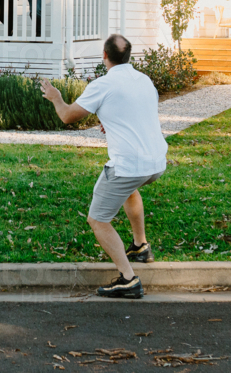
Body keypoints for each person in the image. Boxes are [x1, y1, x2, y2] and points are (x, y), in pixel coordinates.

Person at [40, 34, 167, 299]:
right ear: (128, 56)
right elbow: (136, 111)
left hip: (127, 166)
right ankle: (141, 246)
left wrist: (55, 96)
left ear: (105, 56)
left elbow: (66, 116)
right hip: (155, 163)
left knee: (97, 220)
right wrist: (110, 118)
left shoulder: (103, 84)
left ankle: (129, 279)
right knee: (130, 190)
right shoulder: (144, 80)